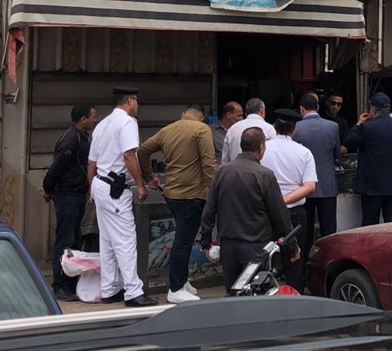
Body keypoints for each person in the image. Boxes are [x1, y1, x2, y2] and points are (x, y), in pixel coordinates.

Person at [199, 127, 299, 291]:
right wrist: (291, 247)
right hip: (256, 247)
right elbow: (280, 216)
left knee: (233, 293)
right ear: (261, 147)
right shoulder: (264, 175)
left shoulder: (222, 172)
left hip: (228, 246)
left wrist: (206, 242)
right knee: (256, 293)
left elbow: (209, 210)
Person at [136, 104, 218, 304]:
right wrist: (217, 191)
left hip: (171, 193)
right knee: (183, 242)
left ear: (183, 114)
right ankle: (176, 288)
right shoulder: (202, 130)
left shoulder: (168, 129)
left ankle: (182, 280)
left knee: (183, 240)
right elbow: (209, 164)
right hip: (191, 194)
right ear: (201, 118)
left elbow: (143, 151)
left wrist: (149, 177)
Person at [85, 87, 158, 307]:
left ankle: (110, 289)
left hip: (100, 184)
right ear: (129, 100)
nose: (138, 105)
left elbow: (91, 162)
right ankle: (133, 292)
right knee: (125, 241)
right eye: (137, 101)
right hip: (115, 188)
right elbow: (129, 155)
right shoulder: (127, 122)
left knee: (107, 240)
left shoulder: (102, 124)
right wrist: (140, 184)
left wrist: (92, 189)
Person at [42, 105, 97, 301]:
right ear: (83, 119)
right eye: (92, 117)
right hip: (67, 196)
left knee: (74, 240)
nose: (94, 120)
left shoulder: (81, 137)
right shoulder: (71, 139)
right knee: (64, 240)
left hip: (77, 195)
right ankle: (59, 285)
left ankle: (71, 282)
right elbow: (57, 167)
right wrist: (48, 188)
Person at [260, 109, 318, 292]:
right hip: (294, 214)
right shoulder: (304, 152)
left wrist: (275, 202)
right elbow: (310, 186)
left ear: (274, 127)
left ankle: (263, 296)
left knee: (264, 259)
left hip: (266, 213)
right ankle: (295, 296)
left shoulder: (262, 149)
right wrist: (284, 200)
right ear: (294, 129)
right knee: (295, 261)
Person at [345, 93, 392, 225]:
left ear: (373, 110)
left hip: (372, 186)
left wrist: (358, 124)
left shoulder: (367, 128)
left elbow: (348, 142)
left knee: (370, 225)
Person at [292, 93, 342, 263]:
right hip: (327, 184)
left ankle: (303, 265)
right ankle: (329, 264)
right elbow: (337, 154)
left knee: (304, 230)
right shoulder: (332, 126)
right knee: (329, 230)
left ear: (301, 109)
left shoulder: (296, 127)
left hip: (303, 186)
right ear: (318, 107)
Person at [221, 98, 275, 164]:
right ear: (262, 111)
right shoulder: (269, 129)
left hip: (234, 169)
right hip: (260, 170)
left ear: (246, 113)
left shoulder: (233, 129)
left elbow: (225, 160)